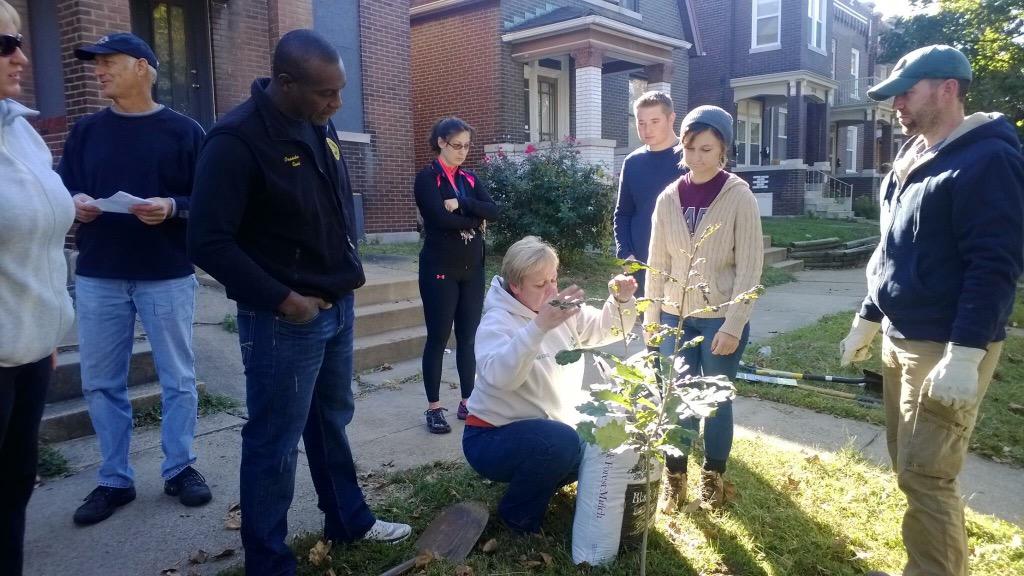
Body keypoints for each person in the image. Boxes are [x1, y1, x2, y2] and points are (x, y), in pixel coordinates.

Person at [188, 29, 411, 574]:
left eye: (340, 91)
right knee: (274, 440)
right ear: (285, 83)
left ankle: (348, 519)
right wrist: (284, 298)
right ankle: (268, 561)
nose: (336, 103)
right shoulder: (235, 141)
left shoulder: (317, 123)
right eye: (325, 93)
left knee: (331, 419)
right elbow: (207, 241)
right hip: (283, 320)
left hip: (336, 306)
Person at [840, 45, 1024, 576]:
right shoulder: (910, 158)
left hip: (947, 346)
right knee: (910, 468)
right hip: (902, 338)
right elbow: (892, 252)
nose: (897, 102)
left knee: (928, 476)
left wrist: (965, 354)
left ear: (948, 89)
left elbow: (994, 265)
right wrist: (869, 315)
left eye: (908, 91)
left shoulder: (988, 158)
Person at [58, 32, 211, 526]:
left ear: (143, 67)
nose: (98, 70)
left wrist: (172, 206)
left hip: (165, 274)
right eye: (96, 63)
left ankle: (180, 467)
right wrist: (75, 203)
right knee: (101, 381)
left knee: (179, 379)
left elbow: (210, 202)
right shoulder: (85, 130)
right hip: (100, 273)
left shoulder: (185, 132)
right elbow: (63, 189)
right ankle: (114, 479)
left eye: (109, 62)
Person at [463, 236, 637, 533]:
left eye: (554, 279)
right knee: (559, 443)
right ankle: (518, 515)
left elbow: (604, 329)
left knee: (592, 445)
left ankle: (536, 486)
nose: (552, 290)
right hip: (489, 437)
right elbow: (502, 378)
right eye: (540, 284)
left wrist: (621, 300)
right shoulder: (497, 322)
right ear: (515, 286)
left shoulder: (558, 307)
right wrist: (538, 327)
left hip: (542, 429)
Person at [645, 105, 763, 512]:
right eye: (691, 148)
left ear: (723, 150)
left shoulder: (738, 196)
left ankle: (713, 477)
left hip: (719, 323)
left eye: (706, 149)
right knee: (676, 398)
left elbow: (750, 267)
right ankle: (675, 478)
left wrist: (734, 324)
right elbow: (657, 263)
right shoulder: (668, 197)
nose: (697, 157)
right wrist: (651, 320)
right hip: (673, 320)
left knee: (714, 401)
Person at [0, 3, 75, 572]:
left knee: (15, 482)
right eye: (4, 46)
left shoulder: (20, 129)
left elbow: (39, 238)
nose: (21, 57)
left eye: (19, 42)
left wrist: (48, 326)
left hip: (31, 349)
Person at [415, 117, 500, 434]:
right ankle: (434, 407)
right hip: (440, 269)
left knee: (468, 338)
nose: (463, 151)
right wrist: (474, 220)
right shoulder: (427, 178)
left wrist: (463, 203)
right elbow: (438, 220)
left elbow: (493, 211)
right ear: (441, 142)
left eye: (467, 145)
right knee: (438, 338)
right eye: (456, 145)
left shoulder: (469, 178)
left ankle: (469, 401)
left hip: (472, 269)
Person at [613, 91, 686, 295]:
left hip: (680, 267)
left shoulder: (691, 157)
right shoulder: (632, 162)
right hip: (640, 266)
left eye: (655, 121)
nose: (647, 129)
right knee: (646, 326)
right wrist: (625, 253)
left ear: (671, 118)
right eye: (641, 122)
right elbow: (623, 213)